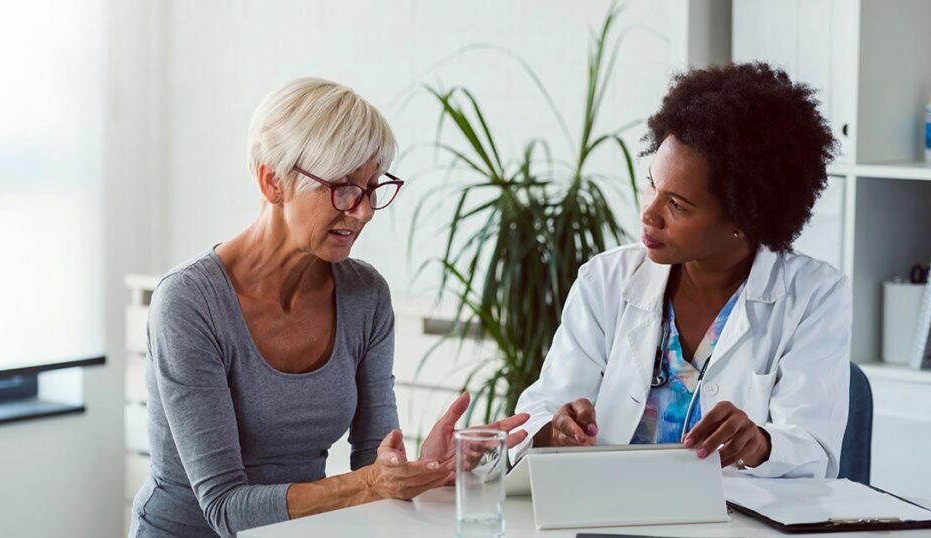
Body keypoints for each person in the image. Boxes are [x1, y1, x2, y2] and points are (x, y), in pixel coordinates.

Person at [129, 78, 528, 538]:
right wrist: (373, 483)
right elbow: (225, 508)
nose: (363, 212)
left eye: (372, 188)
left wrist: (420, 469)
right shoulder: (190, 302)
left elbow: (374, 467)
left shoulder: (365, 295)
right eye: (342, 189)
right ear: (272, 180)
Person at [511, 62, 849, 479]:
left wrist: (761, 443)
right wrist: (555, 429)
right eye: (653, 184)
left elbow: (813, 449)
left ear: (745, 217)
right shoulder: (605, 281)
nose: (649, 214)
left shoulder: (814, 296)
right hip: (607, 513)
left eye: (678, 205)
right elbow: (536, 413)